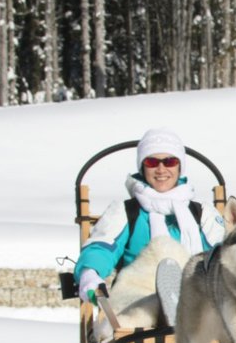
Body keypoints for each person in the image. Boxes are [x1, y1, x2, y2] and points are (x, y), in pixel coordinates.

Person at [74, 128, 224, 304]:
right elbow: (102, 248)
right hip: (139, 298)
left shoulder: (201, 214)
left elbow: (224, 254)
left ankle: (179, 305)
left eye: (170, 161)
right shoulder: (127, 212)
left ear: (180, 166)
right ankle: (169, 305)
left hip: (199, 301)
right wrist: (90, 273)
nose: (161, 169)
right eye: (152, 162)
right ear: (142, 167)